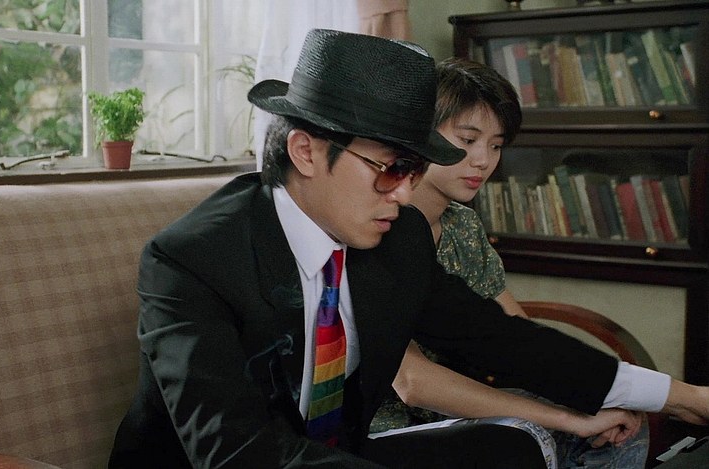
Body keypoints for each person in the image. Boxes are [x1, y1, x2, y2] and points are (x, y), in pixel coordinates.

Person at [108, 29, 644, 469]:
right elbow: (237, 452)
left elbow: (496, 337)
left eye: (413, 171)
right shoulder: (191, 260)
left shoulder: (390, 234)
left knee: (516, 449)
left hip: (338, 451)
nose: (405, 194)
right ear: (305, 152)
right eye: (389, 169)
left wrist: (665, 395)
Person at [374, 57, 709, 467]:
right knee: (535, 436)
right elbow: (413, 383)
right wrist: (565, 417)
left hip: (474, 401)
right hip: (391, 426)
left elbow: (515, 336)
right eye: (468, 140)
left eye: (496, 145)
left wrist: (590, 402)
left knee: (616, 426)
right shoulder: (376, 230)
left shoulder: (463, 226)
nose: (483, 160)